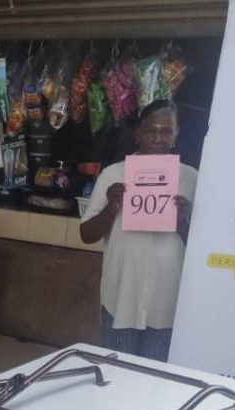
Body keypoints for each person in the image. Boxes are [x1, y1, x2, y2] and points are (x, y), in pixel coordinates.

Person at [79, 100, 197, 362]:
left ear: (176, 135)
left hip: (167, 302)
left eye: (166, 131)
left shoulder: (191, 178)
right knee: (116, 375)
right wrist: (111, 207)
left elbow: (203, 250)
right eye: (150, 131)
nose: (157, 139)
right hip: (121, 299)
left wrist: (183, 222)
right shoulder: (112, 175)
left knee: (153, 380)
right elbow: (86, 235)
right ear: (138, 133)